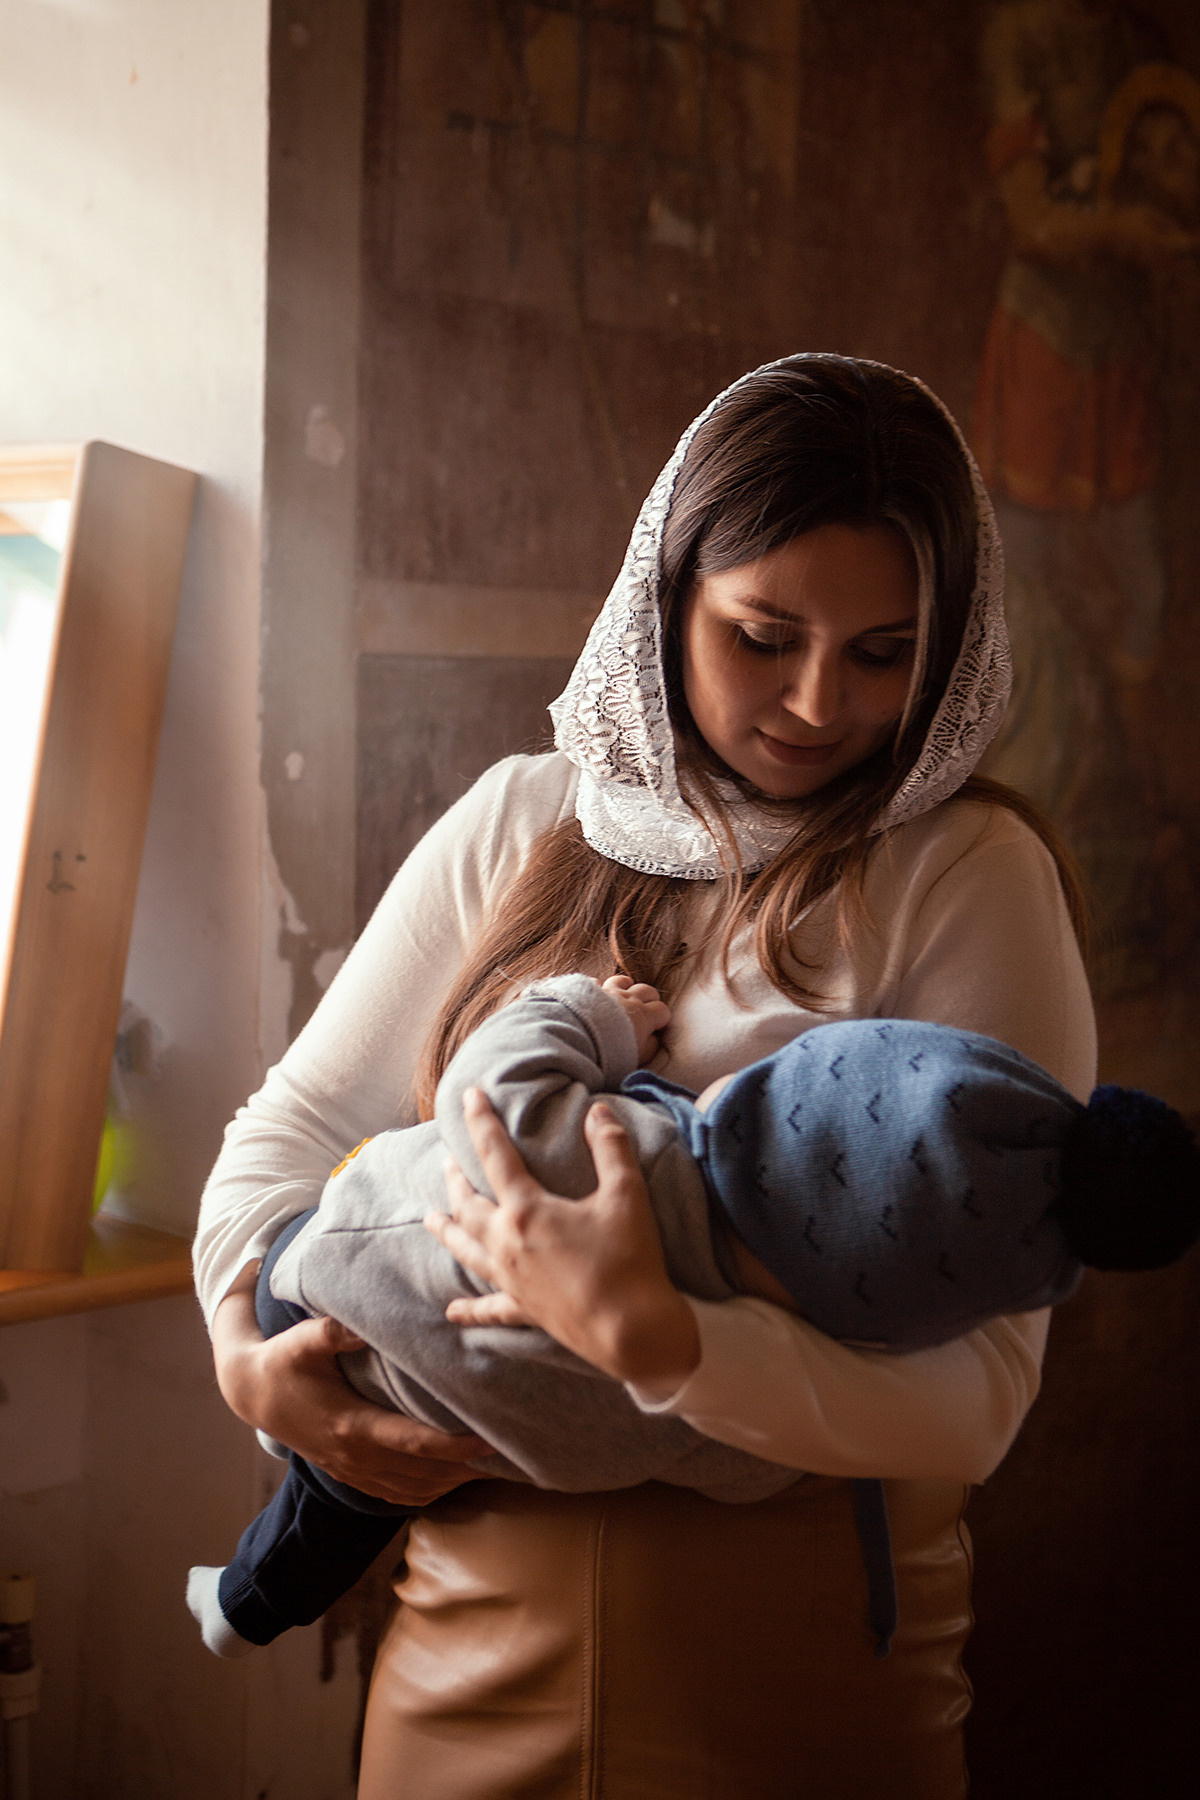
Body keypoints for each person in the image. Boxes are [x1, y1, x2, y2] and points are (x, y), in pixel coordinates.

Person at [195, 354, 1098, 1799]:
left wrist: (669, 1347)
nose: (817, 702)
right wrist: (256, 1364)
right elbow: (286, 1137)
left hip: (803, 1662)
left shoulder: (967, 875)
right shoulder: (524, 819)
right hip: (468, 1629)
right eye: (764, 636)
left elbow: (985, 1389)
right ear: (663, 599)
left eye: (884, 653)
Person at [189, 967, 1198, 1662]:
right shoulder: (745, 1409)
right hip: (417, 1430)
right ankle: (242, 1603)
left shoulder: (621, 1158)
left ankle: (241, 1596)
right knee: (336, 1510)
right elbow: (750, 1469)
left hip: (324, 1274)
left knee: (339, 1483)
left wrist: (595, 1013)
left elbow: (485, 1085)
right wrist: (243, 1369)